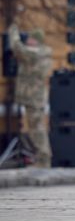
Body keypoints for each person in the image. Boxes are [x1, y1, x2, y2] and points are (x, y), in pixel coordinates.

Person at [7, 22, 53, 168]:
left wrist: (13, 32)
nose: (27, 40)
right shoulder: (41, 53)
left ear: (36, 40)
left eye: (30, 38)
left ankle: (44, 159)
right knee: (35, 128)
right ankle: (42, 158)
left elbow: (17, 48)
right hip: (33, 97)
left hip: (34, 98)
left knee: (37, 129)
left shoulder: (36, 54)